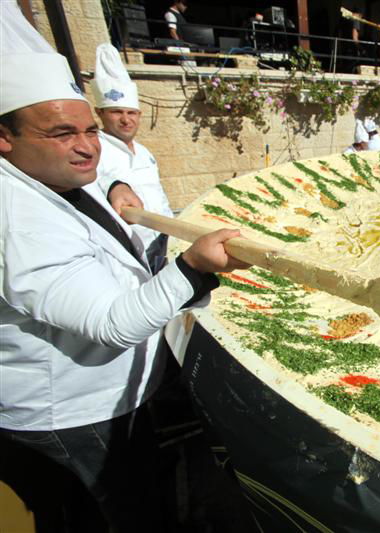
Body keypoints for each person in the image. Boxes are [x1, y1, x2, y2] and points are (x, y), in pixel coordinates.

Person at [0, 4, 249, 532]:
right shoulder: (18, 221)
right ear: (5, 137)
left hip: (112, 397)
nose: (87, 147)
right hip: (73, 417)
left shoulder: (40, 173)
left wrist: (114, 183)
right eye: (62, 134)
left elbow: (92, 177)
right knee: (119, 517)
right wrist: (192, 266)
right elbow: (111, 324)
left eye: (90, 130)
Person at [92, 43, 173, 271]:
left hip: (163, 242)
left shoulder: (144, 152)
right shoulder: (94, 149)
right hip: (130, 251)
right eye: (117, 112)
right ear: (100, 113)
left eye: (131, 113)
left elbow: (159, 195)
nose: (126, 120)